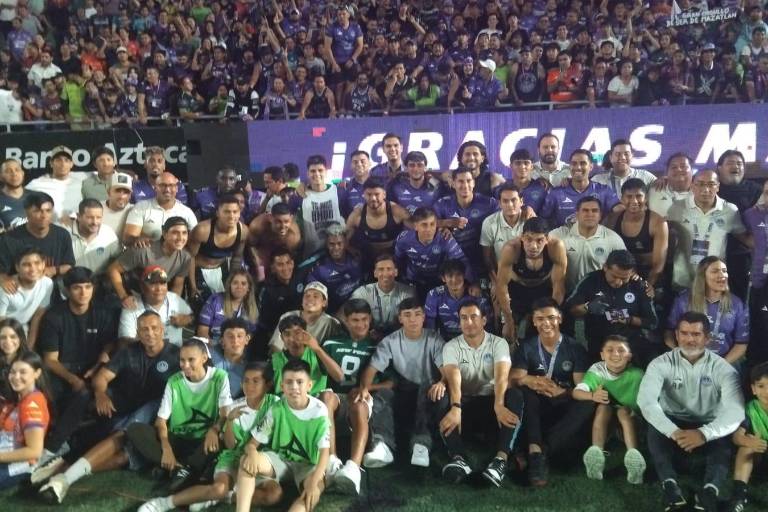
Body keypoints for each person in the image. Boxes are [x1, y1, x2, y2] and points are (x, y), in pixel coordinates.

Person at [35, 311, 180, 504]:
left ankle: (64, 472)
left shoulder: (176, 355)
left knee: (122, 449)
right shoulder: (129, 352)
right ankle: (58, 454)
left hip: (155, 413)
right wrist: (100, 394)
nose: (150, 333)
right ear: (137, 332)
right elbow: (102, 377)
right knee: (92, 403)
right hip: (124, 407)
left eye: (154, 328)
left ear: (162, 330)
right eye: (144, 329)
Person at [638, 312, 744, 512]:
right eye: (684, 333)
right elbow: (647, 402)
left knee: (723, 439)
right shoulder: (660, 363)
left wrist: (704, 433)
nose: (689, 339)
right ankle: (670, 487)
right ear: (677, 335)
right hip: (674, 420)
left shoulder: (724, 369)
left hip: (708, 421)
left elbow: (735, 410)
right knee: (654, 429)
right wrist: (673, 431)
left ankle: (709, 492)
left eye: (696, 334)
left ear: (707, 338)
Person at [137, 361, 278, 512]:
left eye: (256, 381)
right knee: (218, 488)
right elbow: (230, 445)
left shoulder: (275, 404)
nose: (249, 386)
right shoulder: (234, 407)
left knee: (273, 495)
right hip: (233, 457)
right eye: (246, 380)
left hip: (260, 459)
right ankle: (164, 503)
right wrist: (230, 421)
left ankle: (222, 497)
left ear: (267, 384)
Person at [126, 338, 231, 493]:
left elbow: (225, 415)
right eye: (182, 360)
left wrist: (214, 430)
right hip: (178, 439)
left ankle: (177, 468)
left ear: (204, 358)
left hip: (203, 441)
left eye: (191, 360)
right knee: (135, 429)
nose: (185, 365)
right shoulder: (174, 381)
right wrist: (166, 447)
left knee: (221, 439)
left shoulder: (219, 377)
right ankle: (181, 468)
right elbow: (161, 421)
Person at [437, 299, 523, 487]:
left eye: (473, 317)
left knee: (515, 395)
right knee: (441, 395)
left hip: (491, 406)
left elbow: (501, 377)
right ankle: (458, 458)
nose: (468, 322)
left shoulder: (498, 343)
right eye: (463, 318)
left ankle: (500, 459)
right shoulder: (451, 346)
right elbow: (453, 378)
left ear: (484, 320)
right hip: (466, 406)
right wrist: (456, 407)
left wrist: (499, 405)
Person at [510, 298, 594, 487]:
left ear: (560, 319)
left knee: (588, 402)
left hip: (563, 404)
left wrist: (563, 392)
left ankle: (539, 450)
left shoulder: (575, 348)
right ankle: (536, 448)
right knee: (524, 391)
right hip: (537, 406)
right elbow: (514, 378)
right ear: (533, 321)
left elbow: (581, 387)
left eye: (551, 318)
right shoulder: (527, 347)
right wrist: (530, 380)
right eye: (540, 319)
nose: (546, 323)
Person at [37, 267, 118, 461]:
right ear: (67, 290)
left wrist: (102, 358)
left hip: (92, 370)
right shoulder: (54, 316)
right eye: (77, 288)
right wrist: (73, 379)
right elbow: (50, 360)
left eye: (88, 287)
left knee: (91, 395)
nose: (83, 293)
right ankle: (54, 446)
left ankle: (57, 446)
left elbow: (109, 344)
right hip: (60, 372)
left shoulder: (102, 312)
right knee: (78, 394)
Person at [357, 297, 445, 469]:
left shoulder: (435, 339)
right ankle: (382, 445)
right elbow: (371, 369)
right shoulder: (390, 341)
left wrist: (442, 382)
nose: (413, 319)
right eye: (407, 315)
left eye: (417, 314)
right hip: (404, 391)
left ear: (423, 317)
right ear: (400, 318)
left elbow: (446, 371)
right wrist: (364, 388)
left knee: (430, 387)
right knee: (383, 394)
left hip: (428, 392)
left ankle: (421, 445)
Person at [234, 358, 330, 512]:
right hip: (280, 460)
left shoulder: (319, 411)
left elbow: (325, 453)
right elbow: (252, 444)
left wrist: (314, 482)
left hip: (308, 465)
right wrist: (251, 453)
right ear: (282, 386)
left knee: (311, 494)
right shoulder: (276, 408)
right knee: (247, 461)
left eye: (300, 382)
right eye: (289, 382)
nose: (294, 387)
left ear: (309, 385)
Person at [318, 299, 388, 495]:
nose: (361, 324)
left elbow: (391, 383)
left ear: (370, 319)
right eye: (355, 320)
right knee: (326, 396)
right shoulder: (332, 343)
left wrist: (365, 388)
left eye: (364, 319)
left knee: (359, 404)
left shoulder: (377, 346)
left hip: (362, 400)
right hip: (337, 399)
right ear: (346, 321)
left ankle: (353, 468)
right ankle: (331, 460)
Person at [573, 335, 646, 483]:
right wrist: (592, 395)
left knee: (623, 411)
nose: (615, 354)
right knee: (603, 408)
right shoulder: (597, 370)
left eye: (621, 350)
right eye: (610, 350)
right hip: (608, 425)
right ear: (602, 355)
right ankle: (597, 454)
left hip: (633, 423)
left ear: (629, 356)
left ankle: (634, 457)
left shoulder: (638, 375)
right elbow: (576, 393)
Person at [566, 250, 659, 365]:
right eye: (614, 276)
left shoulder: (638, 285)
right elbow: (570, 310)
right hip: (599, 346)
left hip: (632, 346)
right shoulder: (590, 280)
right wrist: (587, 307)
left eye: (624, 278)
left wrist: (629, 319)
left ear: (631, 272)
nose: (618, 282)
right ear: (605, 267)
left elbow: (652, 322)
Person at [667, 169, 751, 291]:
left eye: (711, 184)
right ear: (692, 186)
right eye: (700, 184)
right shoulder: (677, 207)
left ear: (718, 187)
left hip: (715, 279)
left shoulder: (730, 210)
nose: (706, 190)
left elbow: (744, 238)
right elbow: (663, 232)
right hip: (683, 279)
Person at [666, 257, 749, 364]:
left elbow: (741, 344)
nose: (722, 275)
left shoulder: (737, 304)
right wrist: (682, 357)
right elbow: (669, 334)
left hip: (723, 362)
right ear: (703, 276)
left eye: (724, 271)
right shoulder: (683, 301)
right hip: (686, 360)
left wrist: (719, 366)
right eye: (715, 271)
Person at [496, 218, 567, 341]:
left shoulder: (555, 247)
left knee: (543, 332)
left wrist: (548, 317)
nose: (533, 246)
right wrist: (508, 321)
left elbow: (558, 287)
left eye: (539, 240)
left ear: (547, 239)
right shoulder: (511, 248)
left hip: (542, 291)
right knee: (507, 335)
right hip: (517, 290)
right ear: (522, 237)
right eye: (529, 239)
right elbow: (502, 286)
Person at [108, 217, 190, 306]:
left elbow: (178, 285)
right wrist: (124, 296)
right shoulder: (143, 250)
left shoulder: (185, 257)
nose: (180, 238)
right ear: (164, 234)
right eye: (175, 233)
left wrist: (171, 306)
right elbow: (113, 269)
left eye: (184, 233)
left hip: (157, 297)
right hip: (132, 294)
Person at [0, 192, 75, 291]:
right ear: (26, 213)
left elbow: (69, 265)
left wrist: (53, 270)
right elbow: (2, 271)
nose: (44, 215)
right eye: (37, 211)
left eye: (48, 210)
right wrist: (3, 279)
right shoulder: (10, 238)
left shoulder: (62, 234)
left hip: (53, 291)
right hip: (20, 291)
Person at [549, 196, 627, 290]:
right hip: (567, 293)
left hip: (598, 294)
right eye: (585, 210)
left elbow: (625, 265)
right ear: (577, 215)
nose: (590, 214)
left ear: (600, 215)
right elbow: (539, 240)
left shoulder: (613, 238)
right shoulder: (560, 234)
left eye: (594, 211)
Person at [434, 167, 499, 280]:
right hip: (454, 263)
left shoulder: (488, 203)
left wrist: (526, 209)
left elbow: (507, 213)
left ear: (474, 183)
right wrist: (447, 223)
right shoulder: (443, 203)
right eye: (460, 181)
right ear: (453, 184)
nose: (465, 185)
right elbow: (427, 223)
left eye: (468, 181)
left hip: (482, 259)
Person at [394, 206, 471, 299]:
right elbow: (397, 261)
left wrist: (472, 283)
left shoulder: (445, 238)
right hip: (413, 280)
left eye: (432, 224)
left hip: (438, 281)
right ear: (415, 226)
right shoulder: (404, 239)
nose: (429, 229)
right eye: (424, 225)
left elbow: (462, 260)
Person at [604, 178, 669, 288]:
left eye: (639, 196)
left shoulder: (658, 222)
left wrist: (646, 288)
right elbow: (604, 254)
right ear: (622, 199)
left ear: (646, 198)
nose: (634, 201)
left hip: (648, 276)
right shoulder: (612, 219)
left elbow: (658, 266)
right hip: (618, 276)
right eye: (629, 196)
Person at [0, 351, 50, 489]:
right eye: (13, 372)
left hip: (20, 465)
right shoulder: (22, 398)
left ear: (37, 373)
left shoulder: (32, 405)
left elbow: (34, 451)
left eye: (23, 372)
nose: (16, 377)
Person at [717, 150, 762, 302]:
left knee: (739, 300)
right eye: (730, 163)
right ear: (719, 168)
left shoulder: (756, 190)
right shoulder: (711, 187)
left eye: (739, 163)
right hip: (712, 254)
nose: (736, 166)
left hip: (742, 256)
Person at [187, 195, 247, 304]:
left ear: (239, 213)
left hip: (222, 268)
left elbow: (237, 258)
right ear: (218, 213)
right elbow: (189, 257)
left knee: (230, 303)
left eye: (235, 212)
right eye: (227, 212)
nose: (231, 216)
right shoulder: (202, 230)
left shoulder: (243, 231)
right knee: (202, 304)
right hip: (198, 271)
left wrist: (233, 280)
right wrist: (193, 287)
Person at [541, 149, 620, 228]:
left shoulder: (603, 191)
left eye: (583, 163)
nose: (578, 167)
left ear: (591, 166)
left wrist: (608, 226)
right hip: (564, 235)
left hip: (595, 235)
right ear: (569, 166)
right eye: (574, 163)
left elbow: (619, 209)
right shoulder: (556, 193)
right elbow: (543, 219)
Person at [727, 362, 768, 512]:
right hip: (760, 456)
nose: (766, 391)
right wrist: (748, 441)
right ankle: (739, 495)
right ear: (753, 389)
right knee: (746, 445)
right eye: (761, 386)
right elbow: (736, 437)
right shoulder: (751, 409)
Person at [345, 178, 409, 273]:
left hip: (394, 258)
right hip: (369, 258)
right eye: (369, 194)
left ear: (384, 194)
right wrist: (352, 251)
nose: (373, 198)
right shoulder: (357, 215)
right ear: (363, 195)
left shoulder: (397, 211)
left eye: (377, 194)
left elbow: (416, 231)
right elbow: (344, 240)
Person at [118, 266, 193, 346]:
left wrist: (186, 319)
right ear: (142, 286)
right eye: (153, 283)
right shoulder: (131, 305)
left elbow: (193, 318)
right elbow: (124, 341)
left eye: (163, 283)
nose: (159, 289)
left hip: (175, 350)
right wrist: (150, 343)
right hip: (144, 352)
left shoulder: (174, 298)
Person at [292, 155, 347, 259]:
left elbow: (348, 219)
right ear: (307, 173)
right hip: (311, 254)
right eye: (313, 171)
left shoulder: (339, 192)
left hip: (337, 251)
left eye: (320, 170)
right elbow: (291, 222)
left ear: (326, 172)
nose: (317, 174)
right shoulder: (299, 196)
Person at [350, 254, 416, 339]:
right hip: (370, 336)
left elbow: (411, 321)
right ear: (375, 273)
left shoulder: (408, 292)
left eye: (389, 269)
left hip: (399, 337)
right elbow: (351, 316)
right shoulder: (363, 292)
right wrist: (365, 332)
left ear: (396, 272)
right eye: (381, 269)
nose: (385, 274)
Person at [123, 172, 197, 246]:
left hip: (178, 252)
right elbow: (127, 238)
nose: (167, 189)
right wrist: (137, 239)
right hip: (148, 251)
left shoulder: (187, 212)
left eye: (171, 185)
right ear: (155, 188)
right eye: (163, 185)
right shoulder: (140, 207)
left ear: (176, 188)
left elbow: (195, 241)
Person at [426, 259, 492, 341]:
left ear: (464, 275)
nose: (454, 280)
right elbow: (431, 328)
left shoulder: (476, 294)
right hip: (446, 340)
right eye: (450, 275)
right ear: (443, 278)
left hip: (473, 337)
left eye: (458, 274)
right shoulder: (434, 295)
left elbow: (487, 324)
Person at [269, 282, 342, 353]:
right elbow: (275, 347)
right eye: (307, 296)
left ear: (324, 302)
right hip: (285, 359)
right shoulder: (288, 316)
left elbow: (337, 352)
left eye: (315, 296)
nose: (310, 299)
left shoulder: (331, 323)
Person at [0, 247, 52, 347]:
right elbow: (1, 323)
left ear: (43, 264)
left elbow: (37, 317)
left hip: (21, 330)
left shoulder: (47, 284)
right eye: (26, 265)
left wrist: (28, 349)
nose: (33, 269)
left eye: (37, 263)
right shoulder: (6, 289)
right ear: (17, 267)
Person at [271, 314, 332, 398]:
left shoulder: (317, 353)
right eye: (287, 334)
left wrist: (317, 349)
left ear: (305, 333)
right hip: (286, 401)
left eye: (297, 333)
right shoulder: (275, 359)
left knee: (329, 396)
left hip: (315, 400)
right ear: (282, 338)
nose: (292, 338)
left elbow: (339, 377)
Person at [306, 223, 362, 314]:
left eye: (339, 243)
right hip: (334, 313)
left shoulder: (357, 258)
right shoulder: (319, 270)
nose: (336, 248)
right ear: (326, 245)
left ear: (345, 243)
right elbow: (313, 297)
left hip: (359, 307)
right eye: (331, 244)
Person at [480, 183, 529, 280]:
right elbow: (487, 258)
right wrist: (496, 281)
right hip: (501, 274)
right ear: (500, 204)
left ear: (521, 201)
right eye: (505, 201)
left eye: (513, 200)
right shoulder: (489, 223)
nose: (510, 205)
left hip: (527, 274)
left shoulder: (530, 220)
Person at [196, 269, 259, 345]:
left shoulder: (251, 308)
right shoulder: (215, 300)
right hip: (213, 344)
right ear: (229, 285)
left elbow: (250, 335)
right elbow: (202, 331)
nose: (239, 287)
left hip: (238, 346)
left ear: (248, 288)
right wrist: (214, 347)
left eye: (243, 284)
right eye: (235, 283)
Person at [25, 145, 84, 222]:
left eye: (66, 160)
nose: (62, 164)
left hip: (76, 225)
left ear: (71, 164)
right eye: (58, 160)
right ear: (51, 163)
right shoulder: (37, 183)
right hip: (49, 226)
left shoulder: (82, 182)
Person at [65, 199, 121, 277]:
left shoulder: (108, 233)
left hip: (99, 282)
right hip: (69, 283)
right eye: (90, 218)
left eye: (98, 217)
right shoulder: (65, 234)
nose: (95, 222)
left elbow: (117, 259)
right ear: (79, 216)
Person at [248, 202, 303, 281]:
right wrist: (257, 261)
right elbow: (251, 245)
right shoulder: (257, 226)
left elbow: (290, 257)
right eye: (279, 221)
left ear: (291, 218)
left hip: (281, 252)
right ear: (270, 218)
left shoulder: (293, 236)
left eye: (286, 221)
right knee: (261, 266)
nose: (283, 226)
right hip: (262, 248)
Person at [592, 139, 657, 197]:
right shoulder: (597, 180)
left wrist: (662, 181)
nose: (622, 157)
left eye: (626, 154)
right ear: (611, 157)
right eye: (618, 154)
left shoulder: (646, 177)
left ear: (632, 156)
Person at [209, 318, 253, 398]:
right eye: (230, 336)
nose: (235, 341)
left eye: (239, 336)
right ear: (222, 341)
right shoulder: (209, 358)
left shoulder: (251, 368)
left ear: (247, 339)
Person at [648, 152, 693, 217]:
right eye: (674, 167)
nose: (679, 169)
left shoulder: (701, 193)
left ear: (692, 171)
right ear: (667, 173)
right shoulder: (654, 190)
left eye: (683, 166)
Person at [506, 149, 548, 214]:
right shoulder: (503, 188)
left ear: (531, 166)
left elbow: (547, 216)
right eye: (518, 163)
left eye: (526, 163)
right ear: (511, 166)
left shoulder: (542, 188)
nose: (522, 166)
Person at [0, 318, 27, 402]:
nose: (8, 341)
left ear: (21, 338)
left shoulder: (30, 362)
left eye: (13, 337)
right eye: (3, 337)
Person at [100, 172, 134, 237]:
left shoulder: (135, 211)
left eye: (126, 192)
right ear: (109, 192)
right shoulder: (96, 208)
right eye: (118, 191)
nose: (122, 196)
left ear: (130, 195)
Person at [0, 159, 30, 232]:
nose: (14, 174)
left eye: (17, 170)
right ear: (1, 176)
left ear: (22, 173)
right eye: (8, 171)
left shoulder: (36, 197)